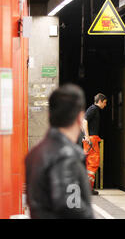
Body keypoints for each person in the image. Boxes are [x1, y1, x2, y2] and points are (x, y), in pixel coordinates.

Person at [25, 84, 94, 219]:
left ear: (50, 114)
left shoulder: (36, 152)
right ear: (80, 117)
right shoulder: (66, 156)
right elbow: (70, 205)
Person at [82, 93, 107, 194]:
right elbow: (84, 121)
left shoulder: (92, 109)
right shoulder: (93, 109)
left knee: (89, 163)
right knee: (93, 163)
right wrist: (87, 136)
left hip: (91, 139)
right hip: (91, 140)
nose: (105, 105)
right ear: (100, 101)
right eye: (104, 103)